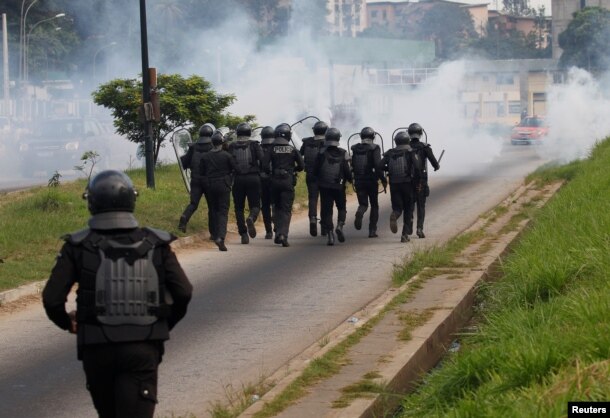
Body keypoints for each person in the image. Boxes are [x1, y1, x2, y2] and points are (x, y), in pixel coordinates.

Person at [42, 170, 193, 418]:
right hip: (143, 346)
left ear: (91, 202)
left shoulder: (78, 246)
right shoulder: (156, 244)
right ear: (132, 200)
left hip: (96, 347)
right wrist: (162, 323)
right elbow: (184, 292)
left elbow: (52, 298)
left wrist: (69, 323)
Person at [263, 123, 304, 247]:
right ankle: (283, 235)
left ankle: (277, 232)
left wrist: (272, 172)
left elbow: (264, 166)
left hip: (274, 182)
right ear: (288, 135)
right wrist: (293, 170)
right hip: (287, 182)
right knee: (286, 210)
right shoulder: (292, 149)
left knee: (276, 207)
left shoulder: (271, 149)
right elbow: (302, 166)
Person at [227, 122, 264, 244]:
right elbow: (263, 161)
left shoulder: (231, 146)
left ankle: (243, 234)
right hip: (253, 178)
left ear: (237, 133)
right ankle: (251, 218)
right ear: (249, 133)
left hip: (237, 179)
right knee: (255, 205)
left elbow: (228, 163)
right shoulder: (254, 144)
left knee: (239, 208)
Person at [314, 127, 352, 246]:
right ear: (337, 139)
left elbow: (315, 170)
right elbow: (347, 171)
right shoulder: (343, 153)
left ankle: (330, 235)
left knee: (327, 211)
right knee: (341, 208)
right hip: (339, 187)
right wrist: (351, 180)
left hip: (324, 187)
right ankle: (340, 226)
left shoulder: (320, 153)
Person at [201, 130, 237, 251]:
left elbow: (202, 172)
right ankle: (220, 237)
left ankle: (214, 234)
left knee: (213, 210)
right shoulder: (227, 155)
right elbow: (235, 169)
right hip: (224, 185)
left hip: (210, 185)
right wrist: (230, 180)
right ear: (222, 142)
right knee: (223, 211)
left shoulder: (205, 156)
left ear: (212, 142)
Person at [178, 123, 215, 234]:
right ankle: (213, 233)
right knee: (212, 207)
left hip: (195, 179)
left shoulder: (193, 147)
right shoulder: (213, 146)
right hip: (209, 180)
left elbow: (184, 163)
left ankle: (184, 219)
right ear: (211, 134)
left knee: (193, 204)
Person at [350, 126, 386, 238]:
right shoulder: (375, 148)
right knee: (374, 205)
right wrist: (383, 179)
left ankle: (360, 212)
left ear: (361, 137)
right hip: (371, 181)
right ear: (373, 137)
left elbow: (352, 164)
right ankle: (372, 230)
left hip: (359, 180)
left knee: (363, 204)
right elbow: (378, 165)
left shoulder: (355, 148)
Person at [408, 123, 440, 239]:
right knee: (421, 205)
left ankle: (408, 226)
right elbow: (434, 162)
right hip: (421, 180)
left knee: (410, 204)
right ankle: (419, 229)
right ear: (420, 134)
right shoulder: (424, 147)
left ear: (409, 134)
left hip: (408, 180)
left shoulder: (406, 147)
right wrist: (437, 166)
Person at [381, 131, 414, 242]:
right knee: (408, 209)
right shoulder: (410, 152)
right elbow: (418, 168)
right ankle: (404, 235)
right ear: (407, 140)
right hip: (408, 184)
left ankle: (394, 214)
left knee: (397, 207)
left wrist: (388, 169)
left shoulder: (390, 153)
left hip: (394, 184)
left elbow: (379, 165)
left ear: (396, 141)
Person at [300, 120, 328, 237]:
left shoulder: (307, 142)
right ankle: (324, 226)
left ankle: (312, 218)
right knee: (325, 200)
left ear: (314, 130)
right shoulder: (328, 142)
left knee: (313, 198)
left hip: (310, 174)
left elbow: (300, 154)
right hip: (324, 176)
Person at [259, 126, 275, 239]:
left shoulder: (258, 148)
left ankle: (268, 231)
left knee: (265, 206)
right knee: (277, 204)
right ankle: (278, 227)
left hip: (262, 180)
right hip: (276, 179)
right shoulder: (277, 147)